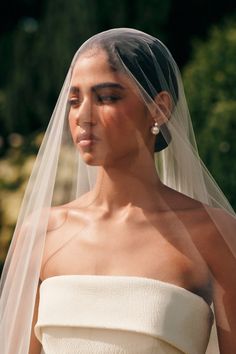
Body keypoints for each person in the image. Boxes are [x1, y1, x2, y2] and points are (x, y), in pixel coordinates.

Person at [0, 28, 236, 354]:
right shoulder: (42, 233)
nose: (83, 116)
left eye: (107, 97)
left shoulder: (214, 235)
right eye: (74, 100)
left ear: (159, 108)